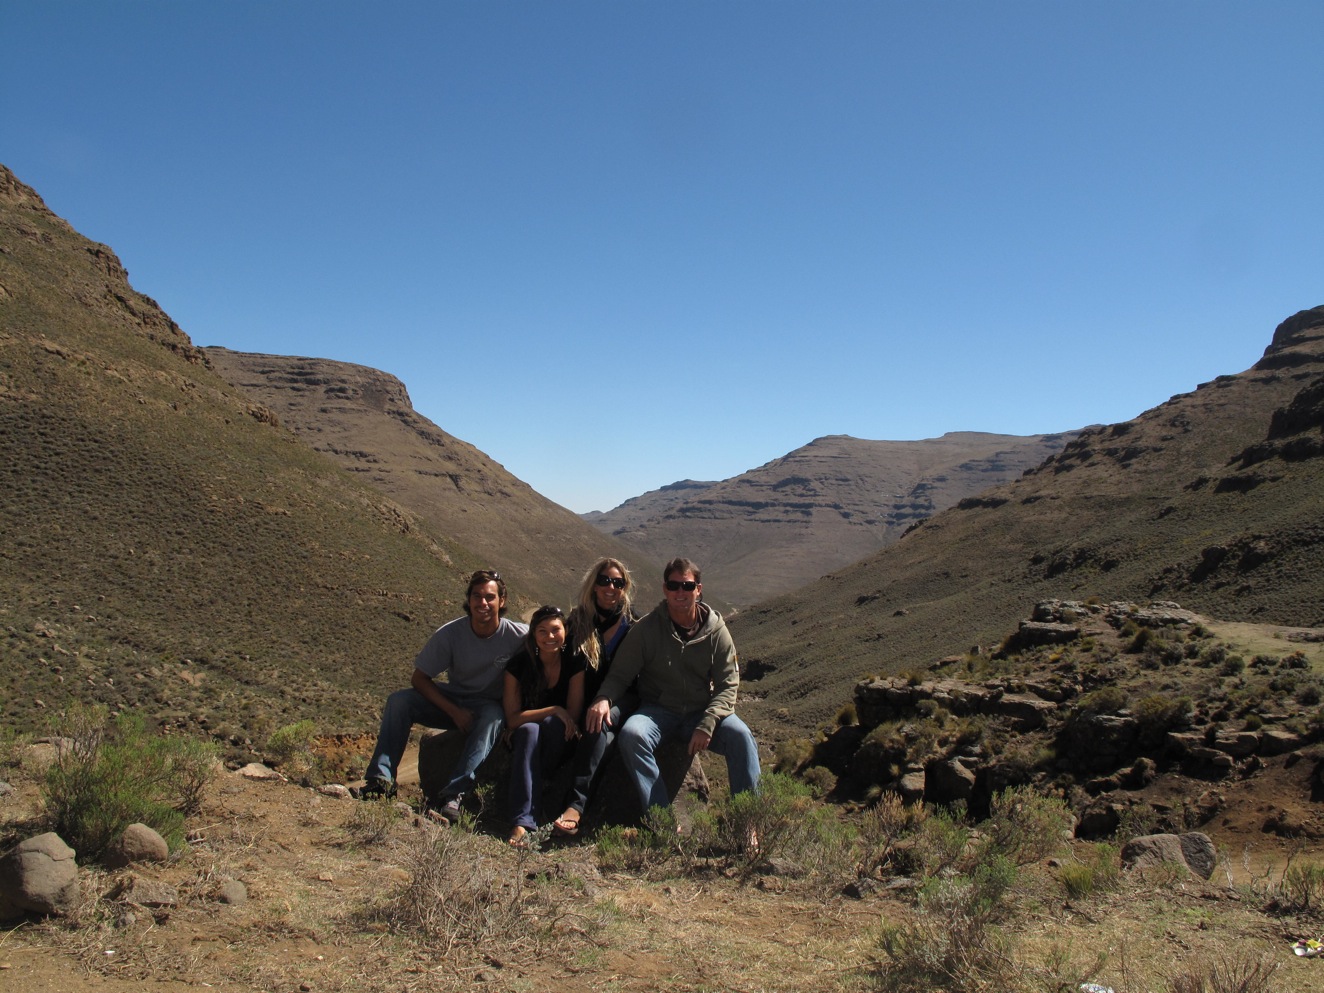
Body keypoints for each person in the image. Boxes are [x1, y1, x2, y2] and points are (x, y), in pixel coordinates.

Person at [585, 557, 760, 820]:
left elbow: (728, 683)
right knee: (632, 735)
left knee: (742, 737)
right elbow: (620, 675)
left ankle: (749, 823)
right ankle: (662, 819)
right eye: (674, 585)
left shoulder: (716, 630)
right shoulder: (646, 629)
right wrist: (603, 698)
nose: (680, 592)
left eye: (687, 586)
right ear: (665, 589)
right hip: (658, 711)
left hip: (701, 710)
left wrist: (708, 723)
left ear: (698, 589)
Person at [357, 569, 526, 823]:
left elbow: (553, 638)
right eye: (477, 596)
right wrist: (454, 712)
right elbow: (419, 678)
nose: (483, 603)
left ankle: (453, 795)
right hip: (453, 699)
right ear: (468, 599)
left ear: (502, 601)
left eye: (490, 597)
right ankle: (380, 782)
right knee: (399, 702)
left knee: (494, 717)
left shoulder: (517, 635)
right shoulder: (451, 634)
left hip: (487, 706)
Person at [551, 558, 639, 836]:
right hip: (585, 698)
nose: (610, 587)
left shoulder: (633, 624)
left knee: (597, 723)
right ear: (594, 585)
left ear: (624, 588)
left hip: (623, 698)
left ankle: (575, 806)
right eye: (604, 581)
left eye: (617, 582)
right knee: (594, 732)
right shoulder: (577, 622)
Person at [502, 605, 586, 847]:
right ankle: (522, 822)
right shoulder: (518, 666)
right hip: (526, 737)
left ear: (565, 631)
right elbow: (513, 719)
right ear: (533, 635)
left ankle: (532, 806)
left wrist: (556, 715)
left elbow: (572, 716)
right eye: (542, 631)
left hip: (559, 738)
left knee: (551, 724)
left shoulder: (574, 663)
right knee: (529, 730)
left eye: (556, 630)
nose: (550, 636)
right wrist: (553, 709)